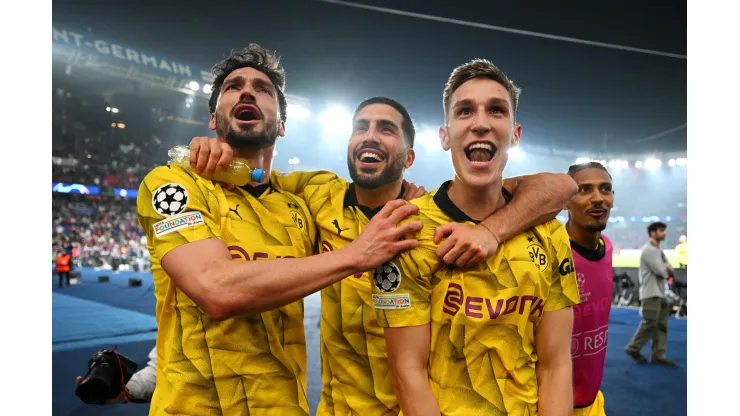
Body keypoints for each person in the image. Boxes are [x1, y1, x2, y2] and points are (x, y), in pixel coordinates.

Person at [188, 95, 578, 415]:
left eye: (386, 129)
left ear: (409, 158)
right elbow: (255, 177)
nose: (369, 136)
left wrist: (492, 230)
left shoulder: (429, 219)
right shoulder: (316, 196)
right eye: (361, 128)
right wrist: (217, 151)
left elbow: (559, 187)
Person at [135, 44, 424, 415]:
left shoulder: (303, 198)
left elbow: (374, 191)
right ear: (213, 119)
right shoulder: (173, 184)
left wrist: (409, 195)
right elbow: (215, 289)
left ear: (282, 125)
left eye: (263, 89)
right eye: (232, 86)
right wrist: (355, 256)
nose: (247, 91)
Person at [372, 59, 580, 415]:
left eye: (496, 111)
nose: (481, 123)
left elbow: (556, 363)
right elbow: (408, 373)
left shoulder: (549, 232)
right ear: (445, 135)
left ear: (515, 134)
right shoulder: (408, 230)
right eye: (465, 111)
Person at [565, 162, 615, 416]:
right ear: (565, 201)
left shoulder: (607, 246)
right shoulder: (551, 252)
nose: (598, 198)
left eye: (605, 189)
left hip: (593, 401)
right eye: (584, 190)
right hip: (551, 403)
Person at [624, 222, 677, 366]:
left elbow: (669, 269)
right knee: (649, 323)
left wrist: (667, 268)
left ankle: (658, 355)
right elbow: (662, 272)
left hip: (660, 293)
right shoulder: (649, 250)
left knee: (661, 325)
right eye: (661, 230)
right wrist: (666, 268)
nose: (664, 233)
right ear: (653, 233)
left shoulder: (658, 250)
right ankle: (633, 348)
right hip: (651, 293)